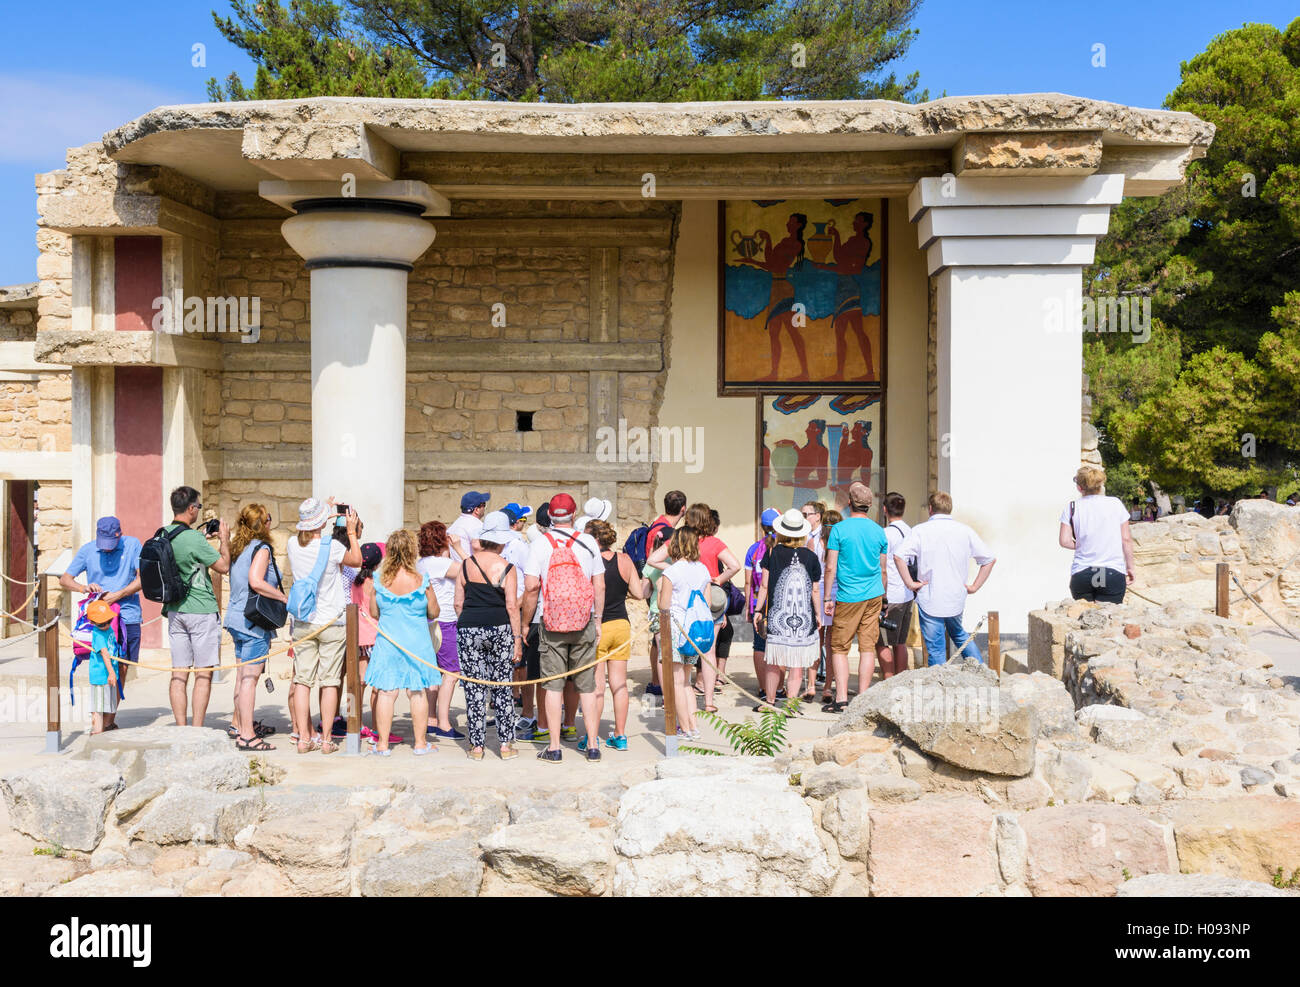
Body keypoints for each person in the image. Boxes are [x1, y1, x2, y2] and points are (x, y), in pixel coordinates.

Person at [522, 493, 605, 764]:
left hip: (551, 622)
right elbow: (599, 585)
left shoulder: (539, 544)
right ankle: (592, 745)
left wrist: (525, 623)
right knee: (587, 686)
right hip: (583, 621)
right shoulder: (589, 542)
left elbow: (532, 587)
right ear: (574, 513)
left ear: (550, 517)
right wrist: (598, 619)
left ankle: (555, 747)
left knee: (553, 685)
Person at [646, 503, 739, 714]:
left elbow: (652, 559)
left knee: (676, 653)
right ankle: (707, 701)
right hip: (706, 601)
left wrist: (672, 568)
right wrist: (717, 580)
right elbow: (735, 565)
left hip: (681, 602)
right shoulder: (715, 543)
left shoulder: (679, 539)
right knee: (708, 651)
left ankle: (675, 696)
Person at [286, 497, 360, 755]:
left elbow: (308, 534)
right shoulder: (334, 547)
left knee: (302, 680)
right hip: (331, 621)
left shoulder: (292, 544)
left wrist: (323, 513)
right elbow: (357, 560)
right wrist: (350, 531)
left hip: (304, 621)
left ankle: (304, 738)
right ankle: (327, 739)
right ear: (321, 522)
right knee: (329, 682)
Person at [894, 492, 996, 666]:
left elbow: (898, 556)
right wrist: (974, 587)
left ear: (930, 509)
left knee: (935, 648)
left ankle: (939, 685)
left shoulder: (920, 530)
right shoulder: (965, 531)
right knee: (959, 634)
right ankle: (980, 669)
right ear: (950, 509)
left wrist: (910, 584)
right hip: (956, 595)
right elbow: (989, 559)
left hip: (930, 595)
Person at [60, 516, 142, 730]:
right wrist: (83, 589)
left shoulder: (133, 545)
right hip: (99, 618)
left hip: (128, 614)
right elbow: (65, 579)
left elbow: (143, 579)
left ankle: (109, 718)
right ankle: (99, 720)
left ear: (119, 535)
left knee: (122, 666)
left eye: (111, 545)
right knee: (100, 667)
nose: (106, 549)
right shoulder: (88, 550)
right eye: (103, 544)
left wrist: (118, 595)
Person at [365, 529, 439, 756]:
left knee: (386, 693)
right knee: (417, 693)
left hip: (388, 642)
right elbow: (434, 611)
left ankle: (383, 745)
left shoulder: (378, 581)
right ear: (411, 551)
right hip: (417, 643)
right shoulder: (421, 581)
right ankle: (419, 744)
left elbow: (374, 612)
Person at [161, 486, 230, 728]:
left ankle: (181, 727)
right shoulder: (194, 538)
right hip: (200, 608)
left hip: (174, 609)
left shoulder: (163, 534)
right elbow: (223, 566)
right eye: (198, 507)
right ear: (191, 508)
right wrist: (224, 541)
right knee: (203, 673)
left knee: (178, 673)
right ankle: (197, 728)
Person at [455, 510, 522, 760]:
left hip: (470, 628)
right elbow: (512, 606)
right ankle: (505, 745)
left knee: (474, 686)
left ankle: (477, 746)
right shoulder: (507, 568)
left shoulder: (466, 564)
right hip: (500, 629)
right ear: (502, 540)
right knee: (502, 685)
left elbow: (458, 603)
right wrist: (517, 640)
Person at [224, 503, 285, 751]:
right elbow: (256, 582)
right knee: (250, 677)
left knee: (242, 677)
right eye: (268, 518)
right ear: (262, 523)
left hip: (236, 618)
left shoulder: (239, 548)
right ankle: (247, 734)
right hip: (253, 623)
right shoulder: (262, 549)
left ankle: (239, 724)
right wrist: (282, 598)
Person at [585, 518, 649, 752]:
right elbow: (638, 593)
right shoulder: (624, 560)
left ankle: (592, 737)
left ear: (594, 539)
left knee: (597, 686)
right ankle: (620, 735)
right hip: (621, 624)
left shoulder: (590, 561)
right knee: (620, 684)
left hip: (598, 625)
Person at [823, 483, 888, 711]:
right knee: (867, 647)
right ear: (870, 506)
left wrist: (827, 598)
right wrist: (884, 598)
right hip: (874, 594)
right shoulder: (879, 531)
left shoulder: (840, 530)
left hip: (849, 595)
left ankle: (841, 699)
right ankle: (862, 700)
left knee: (839, 647)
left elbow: (830, 567)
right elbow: (882, 569)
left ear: (849, 502)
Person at [753, 509, 822, 706]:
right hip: (804, 616)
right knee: (797, 663)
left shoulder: (772, 552)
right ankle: (791, 705)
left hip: (777, 617)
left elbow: (764, 585)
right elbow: (815, 590)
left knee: (774, 661)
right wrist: (817, 614)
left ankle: (771, 702)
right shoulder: (810, 556)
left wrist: (758, 610)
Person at [657, 527, 711, 740]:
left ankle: (685, 728)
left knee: (677, 682)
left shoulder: (672, 571)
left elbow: (664, 604)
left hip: (677, 629)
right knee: (687, 681)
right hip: (695, 629)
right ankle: (693, 725)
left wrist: (660, 588)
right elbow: (706, 601)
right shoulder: (703, 569)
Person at [416, 521, 465, 740]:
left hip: (428, 622)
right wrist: (459, 549)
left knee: (434, 672)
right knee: (452, 673)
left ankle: (432, 718)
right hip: (445, 621)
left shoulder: (423, 563)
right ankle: (444, 723)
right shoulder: (439, 563)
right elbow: (472, 569)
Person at [1059, 465, 1134, 604]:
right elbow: (1126, 539)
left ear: (1079, 487)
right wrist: (1130, 567)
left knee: (1085, 619)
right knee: (1110, 619)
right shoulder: (1115, 504)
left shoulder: (1072, 507)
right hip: (1112, 571)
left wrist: (1084, 544)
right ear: (1100, 486)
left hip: (1082, 572)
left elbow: (1064, 541)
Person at [349, 542, 390, 744]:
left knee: (358, 683)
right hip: (374, 637)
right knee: (377, 685)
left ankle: (354, 723)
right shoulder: (376, 584)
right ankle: (376, 727)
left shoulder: (354, 582)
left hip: (357, 636)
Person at [876, 492, 914, 680]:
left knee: (881, 642)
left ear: (885, 509)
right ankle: (901, 680)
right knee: (900, 642)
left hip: (890, 595)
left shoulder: (885, 534)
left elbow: (881, 567)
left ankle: (888, 680)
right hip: (908, 594)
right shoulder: (911, 532)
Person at [744, 508, 780, 704]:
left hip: (758, 604)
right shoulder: (782, 547)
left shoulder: (754, 549)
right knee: (779, 646)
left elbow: (748, 582)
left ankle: (763, 687)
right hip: (779, 604)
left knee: (759, 646)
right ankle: (779, 687)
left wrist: (750, 608)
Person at [802, 500, 828, 701]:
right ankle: (811, 685)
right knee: (814, 640)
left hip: (824, 590)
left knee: (830, 640)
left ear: (817, 515)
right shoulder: (803, 536)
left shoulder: (825, 536)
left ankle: (826, 686)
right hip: (809, 590)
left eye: (806, 514)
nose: (804, 518)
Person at [84, 599, 120, 735]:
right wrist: (111, 673)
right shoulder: (97, 634)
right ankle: (97, 731)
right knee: (98, 707)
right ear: (92, 622)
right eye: (101, 623)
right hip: (100, 675)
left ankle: (102, 728)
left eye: (108, 621)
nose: (106, 625)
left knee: (107, 704)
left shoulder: (108, 629)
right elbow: (105, 653)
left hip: (109, 674)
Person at [819, 507, 843, 702]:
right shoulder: (841, 543)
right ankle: (828, 687)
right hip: (837, 593)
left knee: (815, 641)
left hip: (818, 593)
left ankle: (811, 684)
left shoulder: (815, 542)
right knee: (833, 644)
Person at [448, 491, 490, 561]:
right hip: (472, 569)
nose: (484, 508)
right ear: (476, 510)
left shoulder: (453, 526)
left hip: (457, 569)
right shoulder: (479, 527)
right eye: (484, 505)